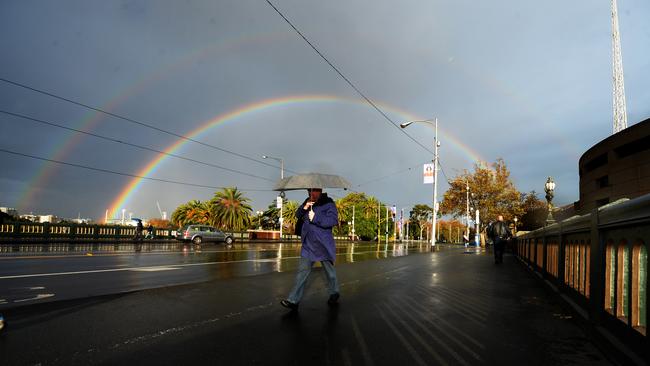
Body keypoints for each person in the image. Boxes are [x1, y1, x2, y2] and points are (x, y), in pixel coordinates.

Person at [281, 188, 340, 311]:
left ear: (320, 191)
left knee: (330, 274)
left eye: (313, 191)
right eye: (309, 192)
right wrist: (305, 206)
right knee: (302, 272)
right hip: (308, 244)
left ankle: (334, 292)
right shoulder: (307, 201)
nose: (310, 194)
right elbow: (298, 215)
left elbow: (333, 220)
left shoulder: (328, 202)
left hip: (323, 245)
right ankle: (293, 300)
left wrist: (316, 218)